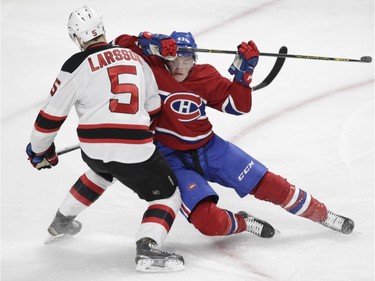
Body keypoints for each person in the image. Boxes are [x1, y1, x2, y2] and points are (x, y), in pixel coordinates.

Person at [108, 31, 355, 237]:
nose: (180, 66)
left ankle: (323, 214)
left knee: (271, 185)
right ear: (165, 56)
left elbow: (239, 107)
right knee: (208, 223)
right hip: (171, 159)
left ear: (195, 59)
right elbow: (117, 46)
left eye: (186, 60)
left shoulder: (206, 76)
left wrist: (243, 77)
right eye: (174, 59)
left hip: (210, 149)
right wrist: (147, 40)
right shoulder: (151, 67)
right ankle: (244, 222)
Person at [25, 6, 184, 273]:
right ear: (102, 29)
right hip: (135, 148)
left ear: (77, 37)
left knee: (101, 170)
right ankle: (147, 247)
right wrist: (139, 129)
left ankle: (62, 221)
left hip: (93, 148)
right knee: (168, 197)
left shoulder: (75, 65)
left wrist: (40, 151)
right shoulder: (136, 58)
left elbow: (50, 116)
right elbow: (154, 108)